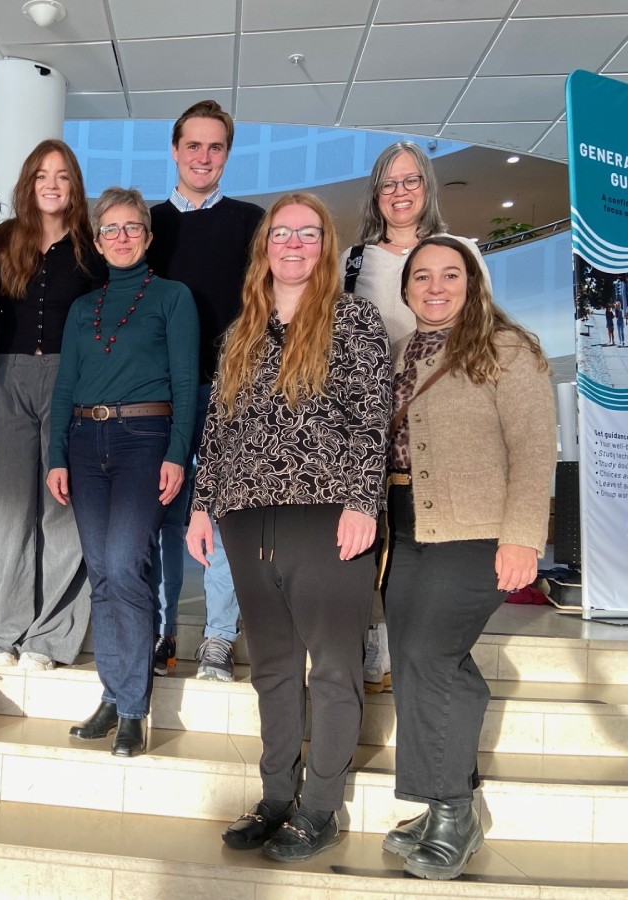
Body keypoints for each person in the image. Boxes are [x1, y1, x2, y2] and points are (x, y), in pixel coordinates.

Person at [186, 193, 391, 861]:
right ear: (265, 246)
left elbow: (371, 417)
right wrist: (201, 505)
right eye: (282, 233)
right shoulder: (241, 330)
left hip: (328, 514)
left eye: (308, 233)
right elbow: (218, 427)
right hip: (246, 517)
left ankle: (320, 808)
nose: (294, 244)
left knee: (333, 667)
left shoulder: (353, 319)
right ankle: (277, 797)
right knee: (272, 667)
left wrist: (363, 502)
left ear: (325, 246)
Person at [381, 235, 554, 880]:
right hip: (405, 528)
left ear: (473, 282)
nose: (435, 287)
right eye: (422, 276)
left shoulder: (508, 348)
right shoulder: (400, 351)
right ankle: (442, 804)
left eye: (450, 274)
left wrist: (523, 537)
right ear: (406, 289)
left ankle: (454, 812)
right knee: (421, 660)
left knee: (430, 656)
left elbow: (534, 448)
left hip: (476, 531)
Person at [47, 186, 198, 758]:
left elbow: (186, 383)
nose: (121, 236)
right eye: (110, 228)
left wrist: (178, 453)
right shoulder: (83, 308)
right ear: (98, 240)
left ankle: (134, 706)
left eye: (132, 226)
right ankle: (113, 694)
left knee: (125, 566)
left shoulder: (173, 297)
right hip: (86, 444)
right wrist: (56, 455)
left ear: (148, 236)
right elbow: (65, 386)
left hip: (145, 439)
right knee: (102, 574)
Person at [343, 141, 492, 693]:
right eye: (389, 182)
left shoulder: (460, 251)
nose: (400, 192)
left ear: (427, 187)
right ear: (375, 193)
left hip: (441, 418)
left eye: (411, 181)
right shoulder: (354, 260)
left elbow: (484, 332)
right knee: (373, 532)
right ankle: (376, 638)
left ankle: (430, 649)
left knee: (429, 544)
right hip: (372, 420)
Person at [0, 139, 106, 671]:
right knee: (4, 510)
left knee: (62, 508)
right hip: (8, 378)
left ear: (75, 187)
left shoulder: (93, 250)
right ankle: (0, 632)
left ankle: (49, 638)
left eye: (62, 175)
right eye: (43, 175)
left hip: (72, 382)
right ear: (29, 183)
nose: (52, 184)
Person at [146, 99, 264, 680]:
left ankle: (219, 637)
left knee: (221, 517)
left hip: (229, 391)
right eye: (193, 145)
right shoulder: (146, 225)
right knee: (162, 515)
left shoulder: (251, 223)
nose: (203, 156)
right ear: (174, 150)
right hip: (159, 395)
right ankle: (160, 633)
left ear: (227, 154)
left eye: (215, 146)